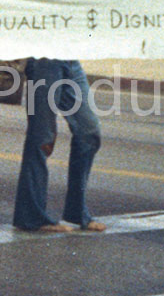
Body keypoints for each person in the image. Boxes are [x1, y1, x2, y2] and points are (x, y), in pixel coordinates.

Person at [13, 59, 105, 233]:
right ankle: (31, 217)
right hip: (43, 61)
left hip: (69, 59)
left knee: (89, 132)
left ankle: (77, 211)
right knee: (42, 136)